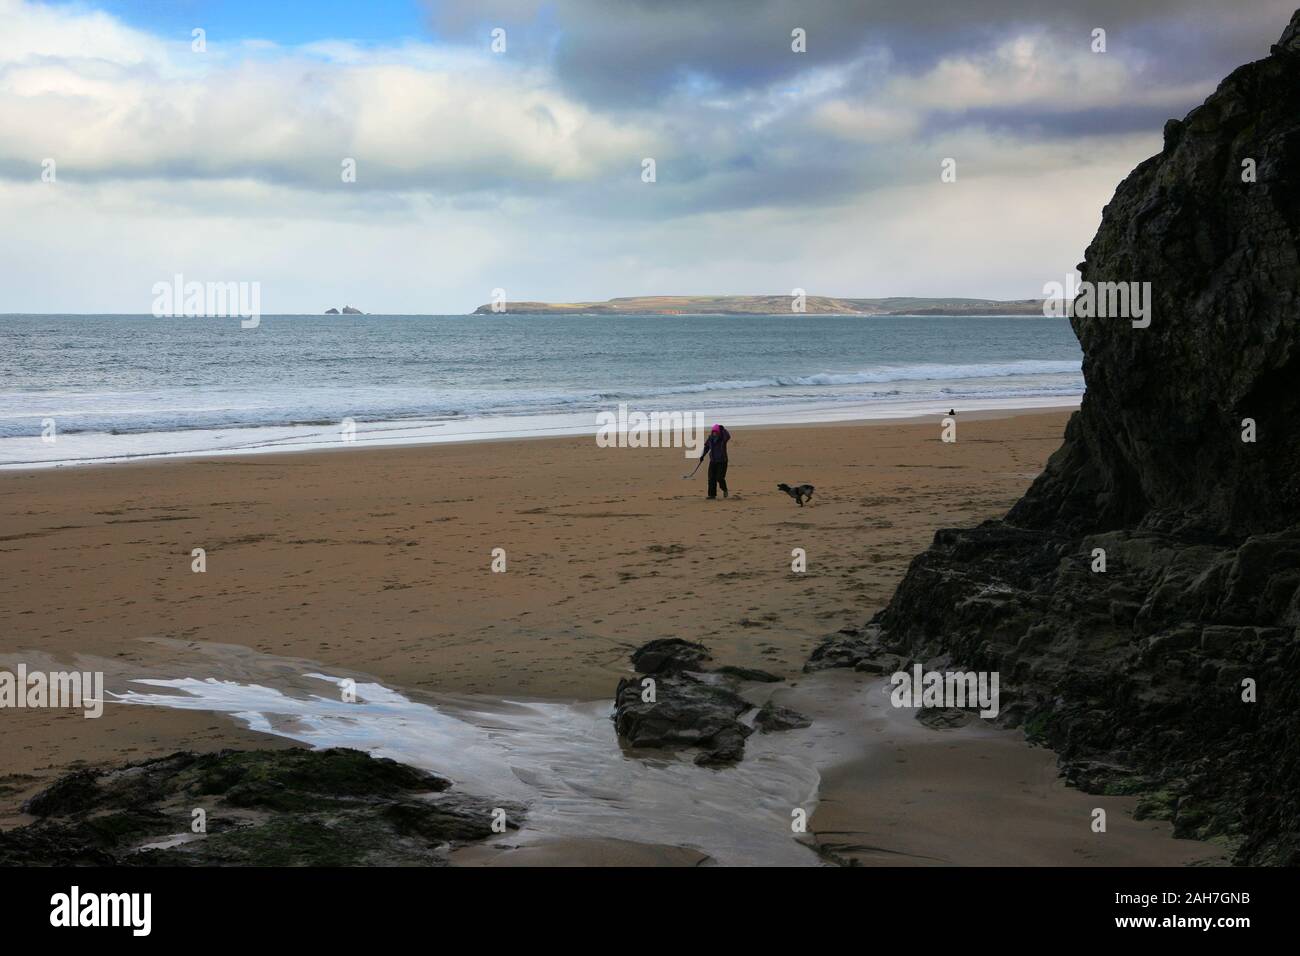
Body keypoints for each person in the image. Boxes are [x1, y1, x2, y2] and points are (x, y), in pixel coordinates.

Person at [699, 423, 731, 499]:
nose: (714, 433)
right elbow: (706, 447)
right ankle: (712, 495)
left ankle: (724, 489)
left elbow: (728, 436)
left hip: (722, 461)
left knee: (720, 478)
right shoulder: (710, 439)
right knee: (711, 478)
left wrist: (723, 429)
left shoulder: (723, 439)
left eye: (716, 432)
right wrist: (702, 455)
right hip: (713, 461)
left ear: (719, 432)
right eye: (713, 432)